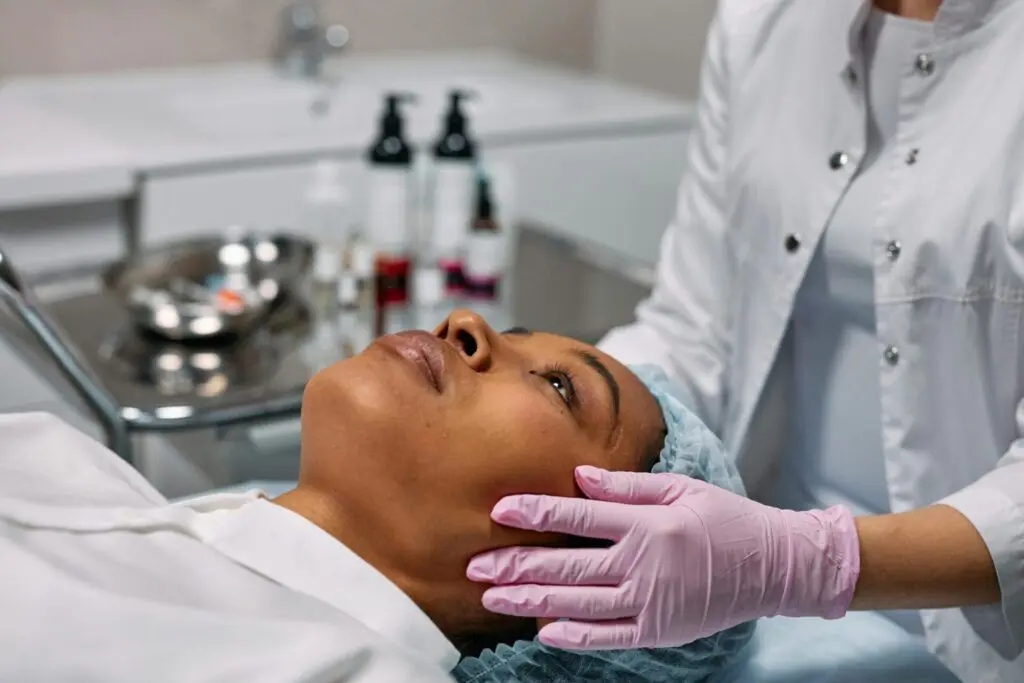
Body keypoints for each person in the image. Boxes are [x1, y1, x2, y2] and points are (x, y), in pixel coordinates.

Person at [467, 1, 1024, 681]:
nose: (461, 335)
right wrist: (568, 419)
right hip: (765, 610)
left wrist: (802, 560)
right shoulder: (764, 21)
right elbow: (693, 325)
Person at [0, 311, 751, 682]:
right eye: (520, 332)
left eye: (562, 387)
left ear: (576, 592)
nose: (469, 322)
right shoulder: (76, 469)